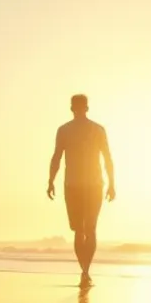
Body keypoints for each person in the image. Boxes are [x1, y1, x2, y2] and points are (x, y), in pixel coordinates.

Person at [47, 94, 115, 287]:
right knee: (90, 229)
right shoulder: (98, 129)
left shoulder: (64, 130)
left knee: (79, 230)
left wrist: (51, 181)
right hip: (94, 185)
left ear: (71, 108)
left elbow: (56, 158)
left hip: (73, 186)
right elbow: (108, 158)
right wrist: (112, 183)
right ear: (87, 108)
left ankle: (84, 271)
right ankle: (86, 271)